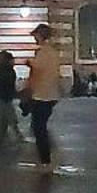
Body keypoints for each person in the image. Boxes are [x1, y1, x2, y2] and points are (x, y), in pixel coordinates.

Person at [22, 24, 66, 171]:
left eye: (35, 36)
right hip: (50, 94)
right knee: (39, 126)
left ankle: (46, 159)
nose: (34, 38)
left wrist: (27, 88)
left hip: (42, 94)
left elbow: (38, 72)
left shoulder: (43, 53)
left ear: (40, 36)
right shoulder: (53, 52)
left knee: (38, 128)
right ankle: (48, 154)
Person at [0, 49, 21, 146]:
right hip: (2, 97)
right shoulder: (1, 70)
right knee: (5, 117)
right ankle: (11, 136)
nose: (13, 61)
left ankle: (2, 138)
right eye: (11, 59)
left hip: (3, 97)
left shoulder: (4, 70)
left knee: (5, 117)